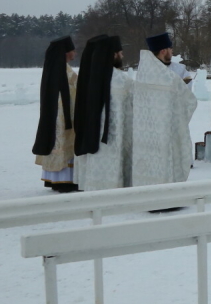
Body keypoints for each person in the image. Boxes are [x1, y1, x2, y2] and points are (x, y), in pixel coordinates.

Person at [130, 36, 196, 187]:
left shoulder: (180, 69)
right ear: (163, 50)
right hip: (152, 124)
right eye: (170, 49)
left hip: (172, 119)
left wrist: (180, 88)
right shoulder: (146, 70)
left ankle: (173, 189)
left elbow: (187, 93)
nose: (172, 51)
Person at [74, 35, 131, 192]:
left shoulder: (87, 77)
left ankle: (91, 185)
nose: (122, 55)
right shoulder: (121, 79)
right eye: (120, 52)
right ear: (113, 55)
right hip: (113, 136)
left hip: (91, 136)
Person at [33, 36, 78, 192]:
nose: (75, 52)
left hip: (61, 114)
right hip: (60, 115)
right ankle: (63, 180)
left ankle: (55, 179)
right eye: (72, 50)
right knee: (61, 143)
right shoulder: (61, 70)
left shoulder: (56, 68)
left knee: (60, 143)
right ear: (65, 52)